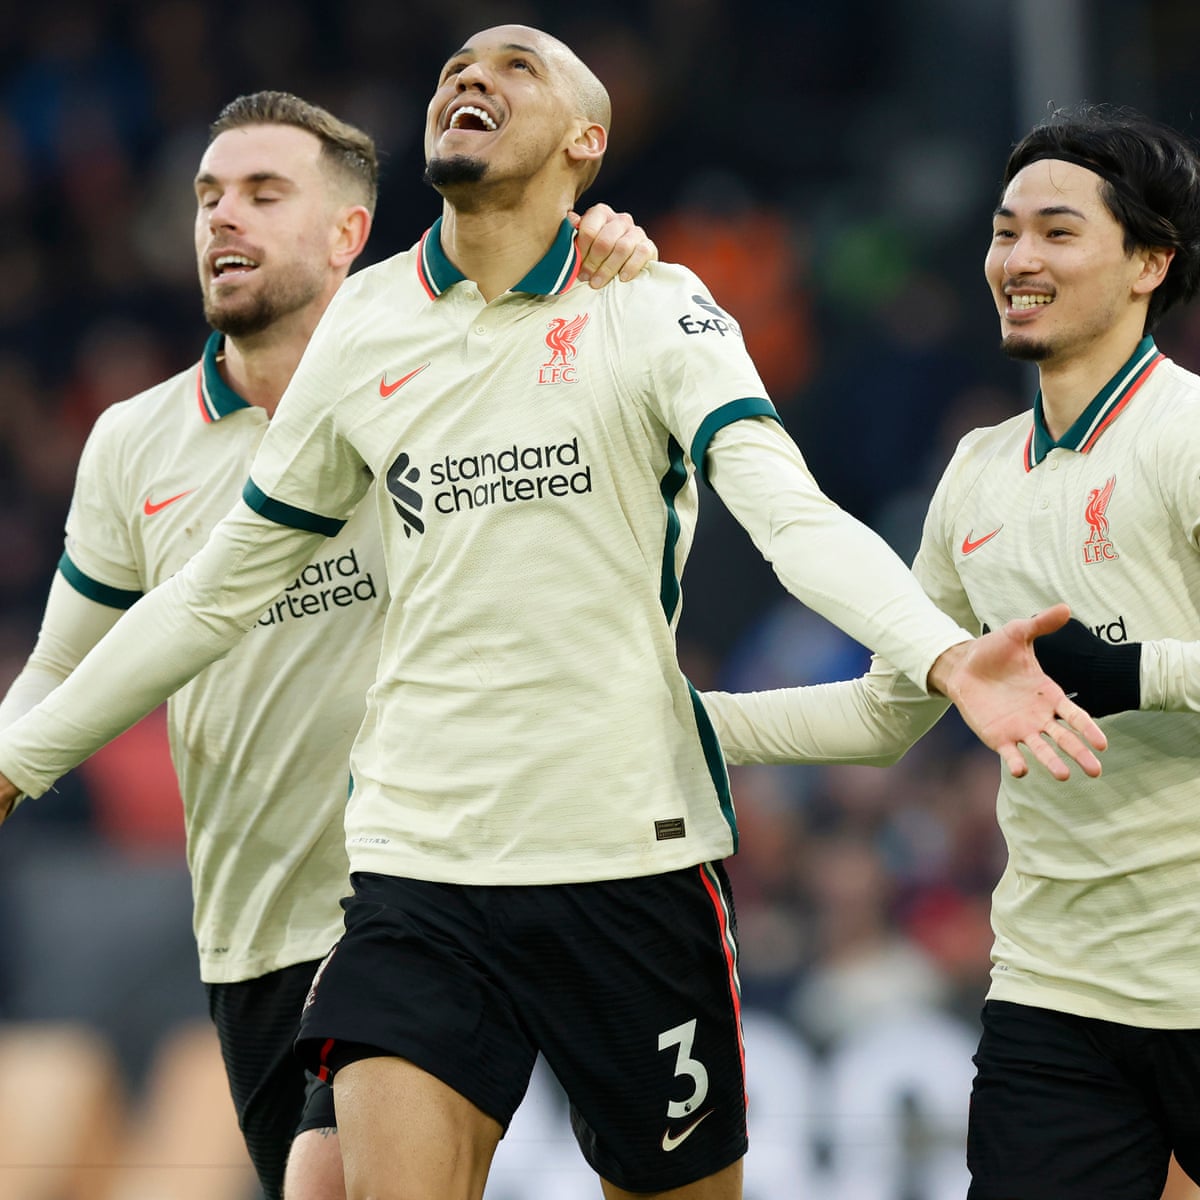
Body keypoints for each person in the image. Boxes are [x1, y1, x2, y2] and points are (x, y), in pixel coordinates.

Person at [0, 27, 1105, 1200]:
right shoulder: (364, 330)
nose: (472, 77)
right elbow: (217, 591)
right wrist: (16, 763)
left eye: (519, 67)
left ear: (588, 141)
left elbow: (790, 516)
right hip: (419, 872)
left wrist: (939, 657)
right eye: (455, 70)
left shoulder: (660, 311)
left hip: (627, 861)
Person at [0, 88, 658, 1200]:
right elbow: (60, 668)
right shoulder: (132, 442)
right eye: (209, 196)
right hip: (253, 927)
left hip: (436, 892)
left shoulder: (449, 384)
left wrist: (608, 272)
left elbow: (575, 353)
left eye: (263, 194)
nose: (222, 219)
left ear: (350, 235)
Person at [705, 102, 1200, 1200]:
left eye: (1058, 232)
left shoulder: (1189, 436)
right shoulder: (976, 471)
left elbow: (1136, 672)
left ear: (1149, 263)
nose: (1017, 258)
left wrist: (1135, 672)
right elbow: (893, 713)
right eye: (1004, 229)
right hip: (1056, 992)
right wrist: (701, 722)